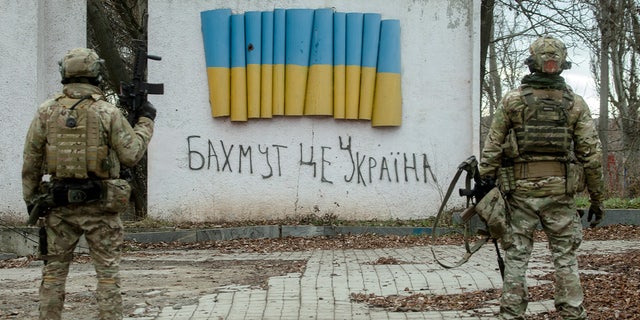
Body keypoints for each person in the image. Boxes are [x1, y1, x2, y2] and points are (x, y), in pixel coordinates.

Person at [22, 47, 157, 320]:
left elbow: (31, 162)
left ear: (64, 74)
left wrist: (33, 202)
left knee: (52, 277)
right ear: (96, 74)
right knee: (107, 277)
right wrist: (145, 122)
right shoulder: (107, 113)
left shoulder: (46, 112)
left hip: (58, 208)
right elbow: (131, 154)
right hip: (102, 209)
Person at [478, 36, 604, 319]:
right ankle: (572, 312)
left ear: (532, 61)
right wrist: (597, 199)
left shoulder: (513, 101)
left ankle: (511, 314)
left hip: (520, 194)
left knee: (517, 256)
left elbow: (492, 148)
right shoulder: (576, 104)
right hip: (561, 194)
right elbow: (592, 157)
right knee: (565, 257)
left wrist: (485, 185)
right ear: (562, 63)